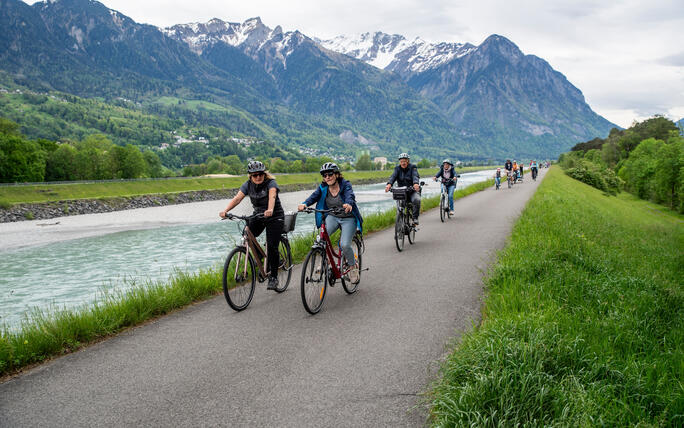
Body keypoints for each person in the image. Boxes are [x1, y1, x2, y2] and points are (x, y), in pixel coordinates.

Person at [219, 160, 284, 290]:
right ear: (250, 176)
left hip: (275, 216)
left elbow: (272, 196)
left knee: (272, 246)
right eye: (255, 175)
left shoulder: (271, 183)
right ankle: (260, 258)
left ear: (264, 174)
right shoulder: (247, 185)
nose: (258, 177)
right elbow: (237, 198)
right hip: (258, 215)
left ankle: (273, 277)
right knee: (247, 233)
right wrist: (226, 211)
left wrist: (270, 209)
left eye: (260, 174)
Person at [298, 163, 363, 283]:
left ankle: (353, 267)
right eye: (324, 175)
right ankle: (325, 259)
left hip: (348, 218)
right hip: (333, 216)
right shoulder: (323, 188)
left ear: (336, 174)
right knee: (320, 239)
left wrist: (349, 203)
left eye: (330, 174)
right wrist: (305, 204)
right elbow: (313, 197)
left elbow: (350, 195)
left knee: (344, 244)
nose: (327, 177)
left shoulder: (345, 184)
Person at [385, 153, 421, 225]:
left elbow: (415, 176)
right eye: (401, 161)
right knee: (400, 206)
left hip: (412, 190)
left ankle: (415, 218)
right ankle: (400, 219)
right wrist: (389, 184)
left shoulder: (413, 167)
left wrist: (415, 183)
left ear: (408, 161)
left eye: (404, 161)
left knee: (417, 199)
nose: (403, 163)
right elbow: (393, 177)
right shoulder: (397, 169)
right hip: (401, 191)